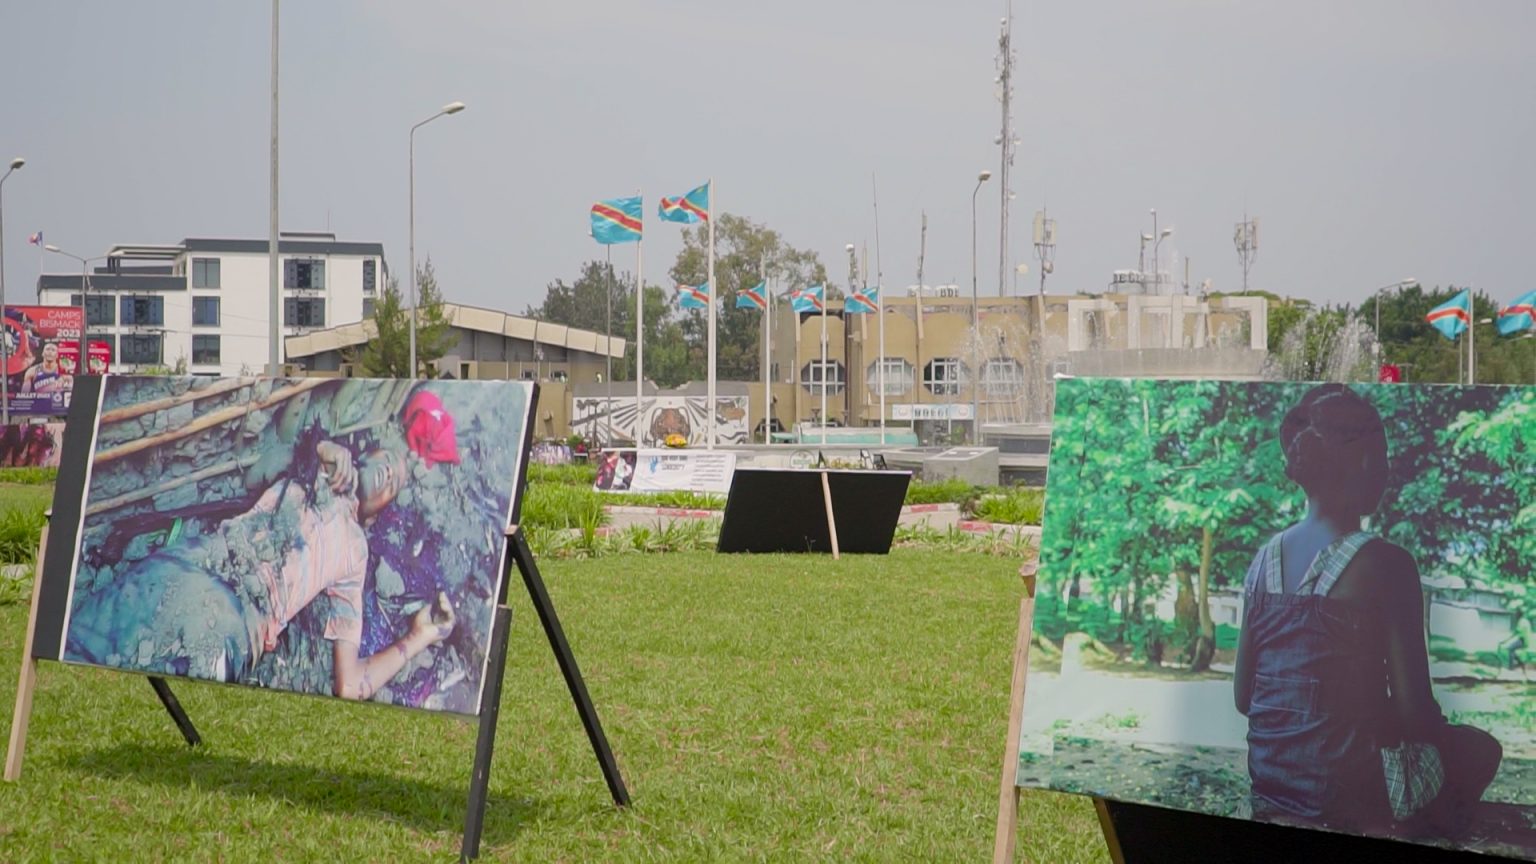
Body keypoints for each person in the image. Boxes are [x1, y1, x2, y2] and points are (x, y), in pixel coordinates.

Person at [1234, 384, 1502, 837]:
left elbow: (1245, 699)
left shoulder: (1264, 560)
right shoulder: (1387, 564)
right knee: (1480, 750)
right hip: (1354, 795)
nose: (1387, 471)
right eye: (1382, 457)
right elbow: (1417, 713)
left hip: (1272, 784)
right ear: (1361, 462)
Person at [66, 435, 457, 702]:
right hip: (185, 566)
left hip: (232, 621)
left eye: (397, 481)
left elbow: (351, 684)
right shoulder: (307, 471)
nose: (390, 469)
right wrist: (321, 448)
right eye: (386, 458)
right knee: (78, 647)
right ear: (360, 457)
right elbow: (262, 463)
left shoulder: (355, 550)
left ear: (378, 515)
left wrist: (419, 636)